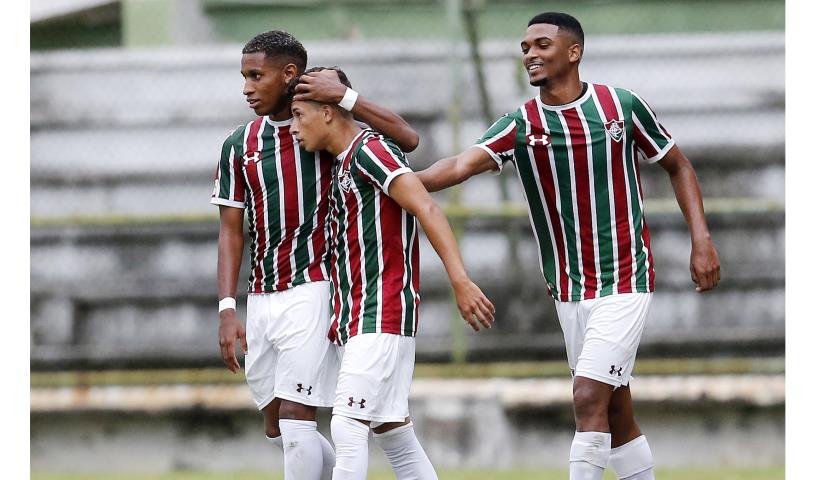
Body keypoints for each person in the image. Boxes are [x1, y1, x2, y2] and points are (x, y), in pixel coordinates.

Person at [415, 12, 721, 480]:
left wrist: (701, 239)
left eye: (541, 45)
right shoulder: (522, 123)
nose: (530, 56)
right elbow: (458, 165)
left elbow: (677, 164)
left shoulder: (620, 107)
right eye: (524, 49)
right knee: (616, 416)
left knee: (586, 398)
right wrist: (396, 183)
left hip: (625, 280)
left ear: (573, 52)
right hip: (569, 292)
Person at [211, 30, 419, 480]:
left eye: (255, 76)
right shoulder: (238, 146)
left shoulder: (325, 129)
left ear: (288, 75)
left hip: (316, 285)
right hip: (261, 294)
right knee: (277, 425)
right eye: (243, 76)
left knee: (297, 414)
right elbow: (231, 231)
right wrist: (228, 307)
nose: (246, 87)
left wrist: (346, 96)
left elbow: (407, 138)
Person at [289, 66, 495, 480]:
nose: (293, 127)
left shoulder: (370, 150)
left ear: (328, 112)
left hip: (381, 312)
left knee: (347, 426)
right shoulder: (343, 162)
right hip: (357, 317)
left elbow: (427, 208)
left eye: (298, 114)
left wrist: (460, 279)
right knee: (394, 434)